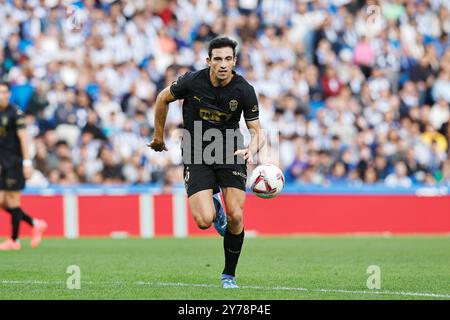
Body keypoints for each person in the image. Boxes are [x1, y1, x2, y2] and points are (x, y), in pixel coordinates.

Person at [148, 37, 265, 288]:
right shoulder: (192, 81)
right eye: (218, 59)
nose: (223, 64)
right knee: (204, 220)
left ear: (234, 61)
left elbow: (258, 131)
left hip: (230, 151)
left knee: (236, 215)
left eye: (228, 59)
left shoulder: (244, 89)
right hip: (196, 150)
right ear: (208, 61)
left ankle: (229, 275)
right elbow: (161, 98)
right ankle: (214, 206)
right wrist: (158, 136)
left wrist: (251, 150)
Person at [0, 81, 47, 250]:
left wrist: (27, 163)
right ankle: (35, 223)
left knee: (12, 201)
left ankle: (14, 240)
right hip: (3, 164)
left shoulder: (15, 113)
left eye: (4, 92)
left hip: (14, 163)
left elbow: (23, 138)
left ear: (9, 94)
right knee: (5, 202)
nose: (1, 95)